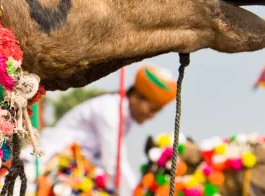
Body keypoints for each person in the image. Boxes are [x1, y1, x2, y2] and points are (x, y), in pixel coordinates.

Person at [21, 64, 177, 196]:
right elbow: (114, 164)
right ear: (136, 97)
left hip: (76, 172)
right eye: (152, 109)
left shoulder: (123, 118)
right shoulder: (111, 110)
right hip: (46, 166)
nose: (152, 116)